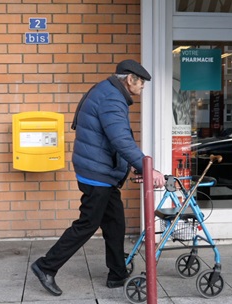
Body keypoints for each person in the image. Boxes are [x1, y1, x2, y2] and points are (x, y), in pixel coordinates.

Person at [30, 59, 165, 296]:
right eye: (141, 82)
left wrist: (130, 166)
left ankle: (117, 274)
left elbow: (108, 138)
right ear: (130, 79)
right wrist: (145, 167)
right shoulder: (112, 99)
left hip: (100, 171)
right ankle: (46, 266)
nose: (142, 87)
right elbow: (120, 139)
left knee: (114, 223)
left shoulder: (106, 90)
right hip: (98, 174)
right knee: (87, 224)